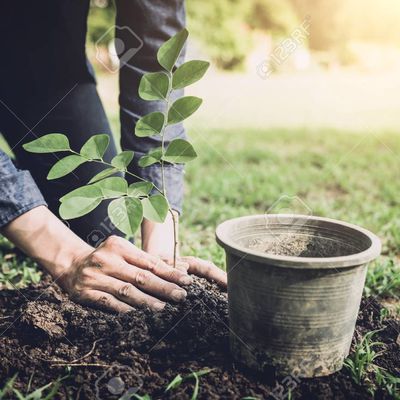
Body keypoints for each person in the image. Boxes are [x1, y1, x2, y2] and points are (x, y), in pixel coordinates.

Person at [0, 1, 227, 311]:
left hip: (47, 69)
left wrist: (160, 252)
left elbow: (152, 49)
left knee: (104, 227)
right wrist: (68, 257)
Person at [0, 150, 227, 312]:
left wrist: (159, 256)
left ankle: (29, 175)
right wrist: (71, 259)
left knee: (100, 223)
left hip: (54, 83)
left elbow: (158, 130)